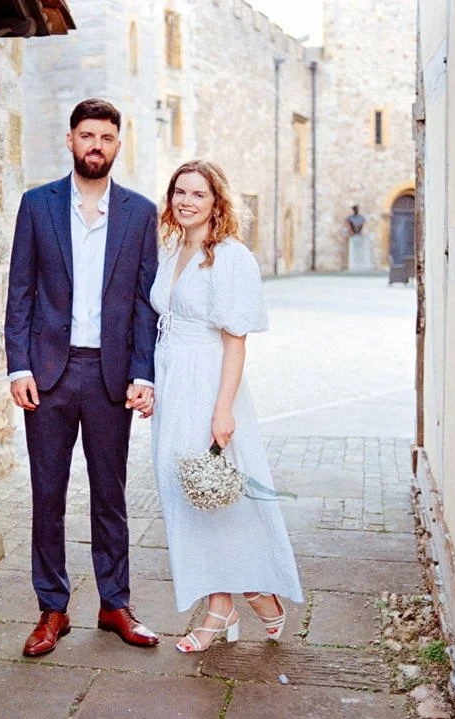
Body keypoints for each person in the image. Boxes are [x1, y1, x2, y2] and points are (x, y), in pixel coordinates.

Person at [5, 98, 161, 657]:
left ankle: (115, 603)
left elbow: (145, 303)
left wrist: (143, 373)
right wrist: (19, 366)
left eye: (107, 137)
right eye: (87, 135)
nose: (97, 146)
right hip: (49, 373)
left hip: (110, 377)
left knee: (110, 494)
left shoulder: (141, 214)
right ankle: (53, 608)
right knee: (47, 493)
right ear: (70, 140)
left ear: (118, 145)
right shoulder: (37, 205)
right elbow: (20, 290)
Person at [149, 160, 303, 653]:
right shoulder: (173, 249)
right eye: (180, 192)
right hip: (173, 382)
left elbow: (235, 341)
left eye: (199, 193)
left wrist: (223, 409)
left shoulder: (231, 257)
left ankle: (250, 596)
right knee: (187, 492)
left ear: (217, 202)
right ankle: (225, 602)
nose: (187, 201)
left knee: (220, 492)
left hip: (208, 382)